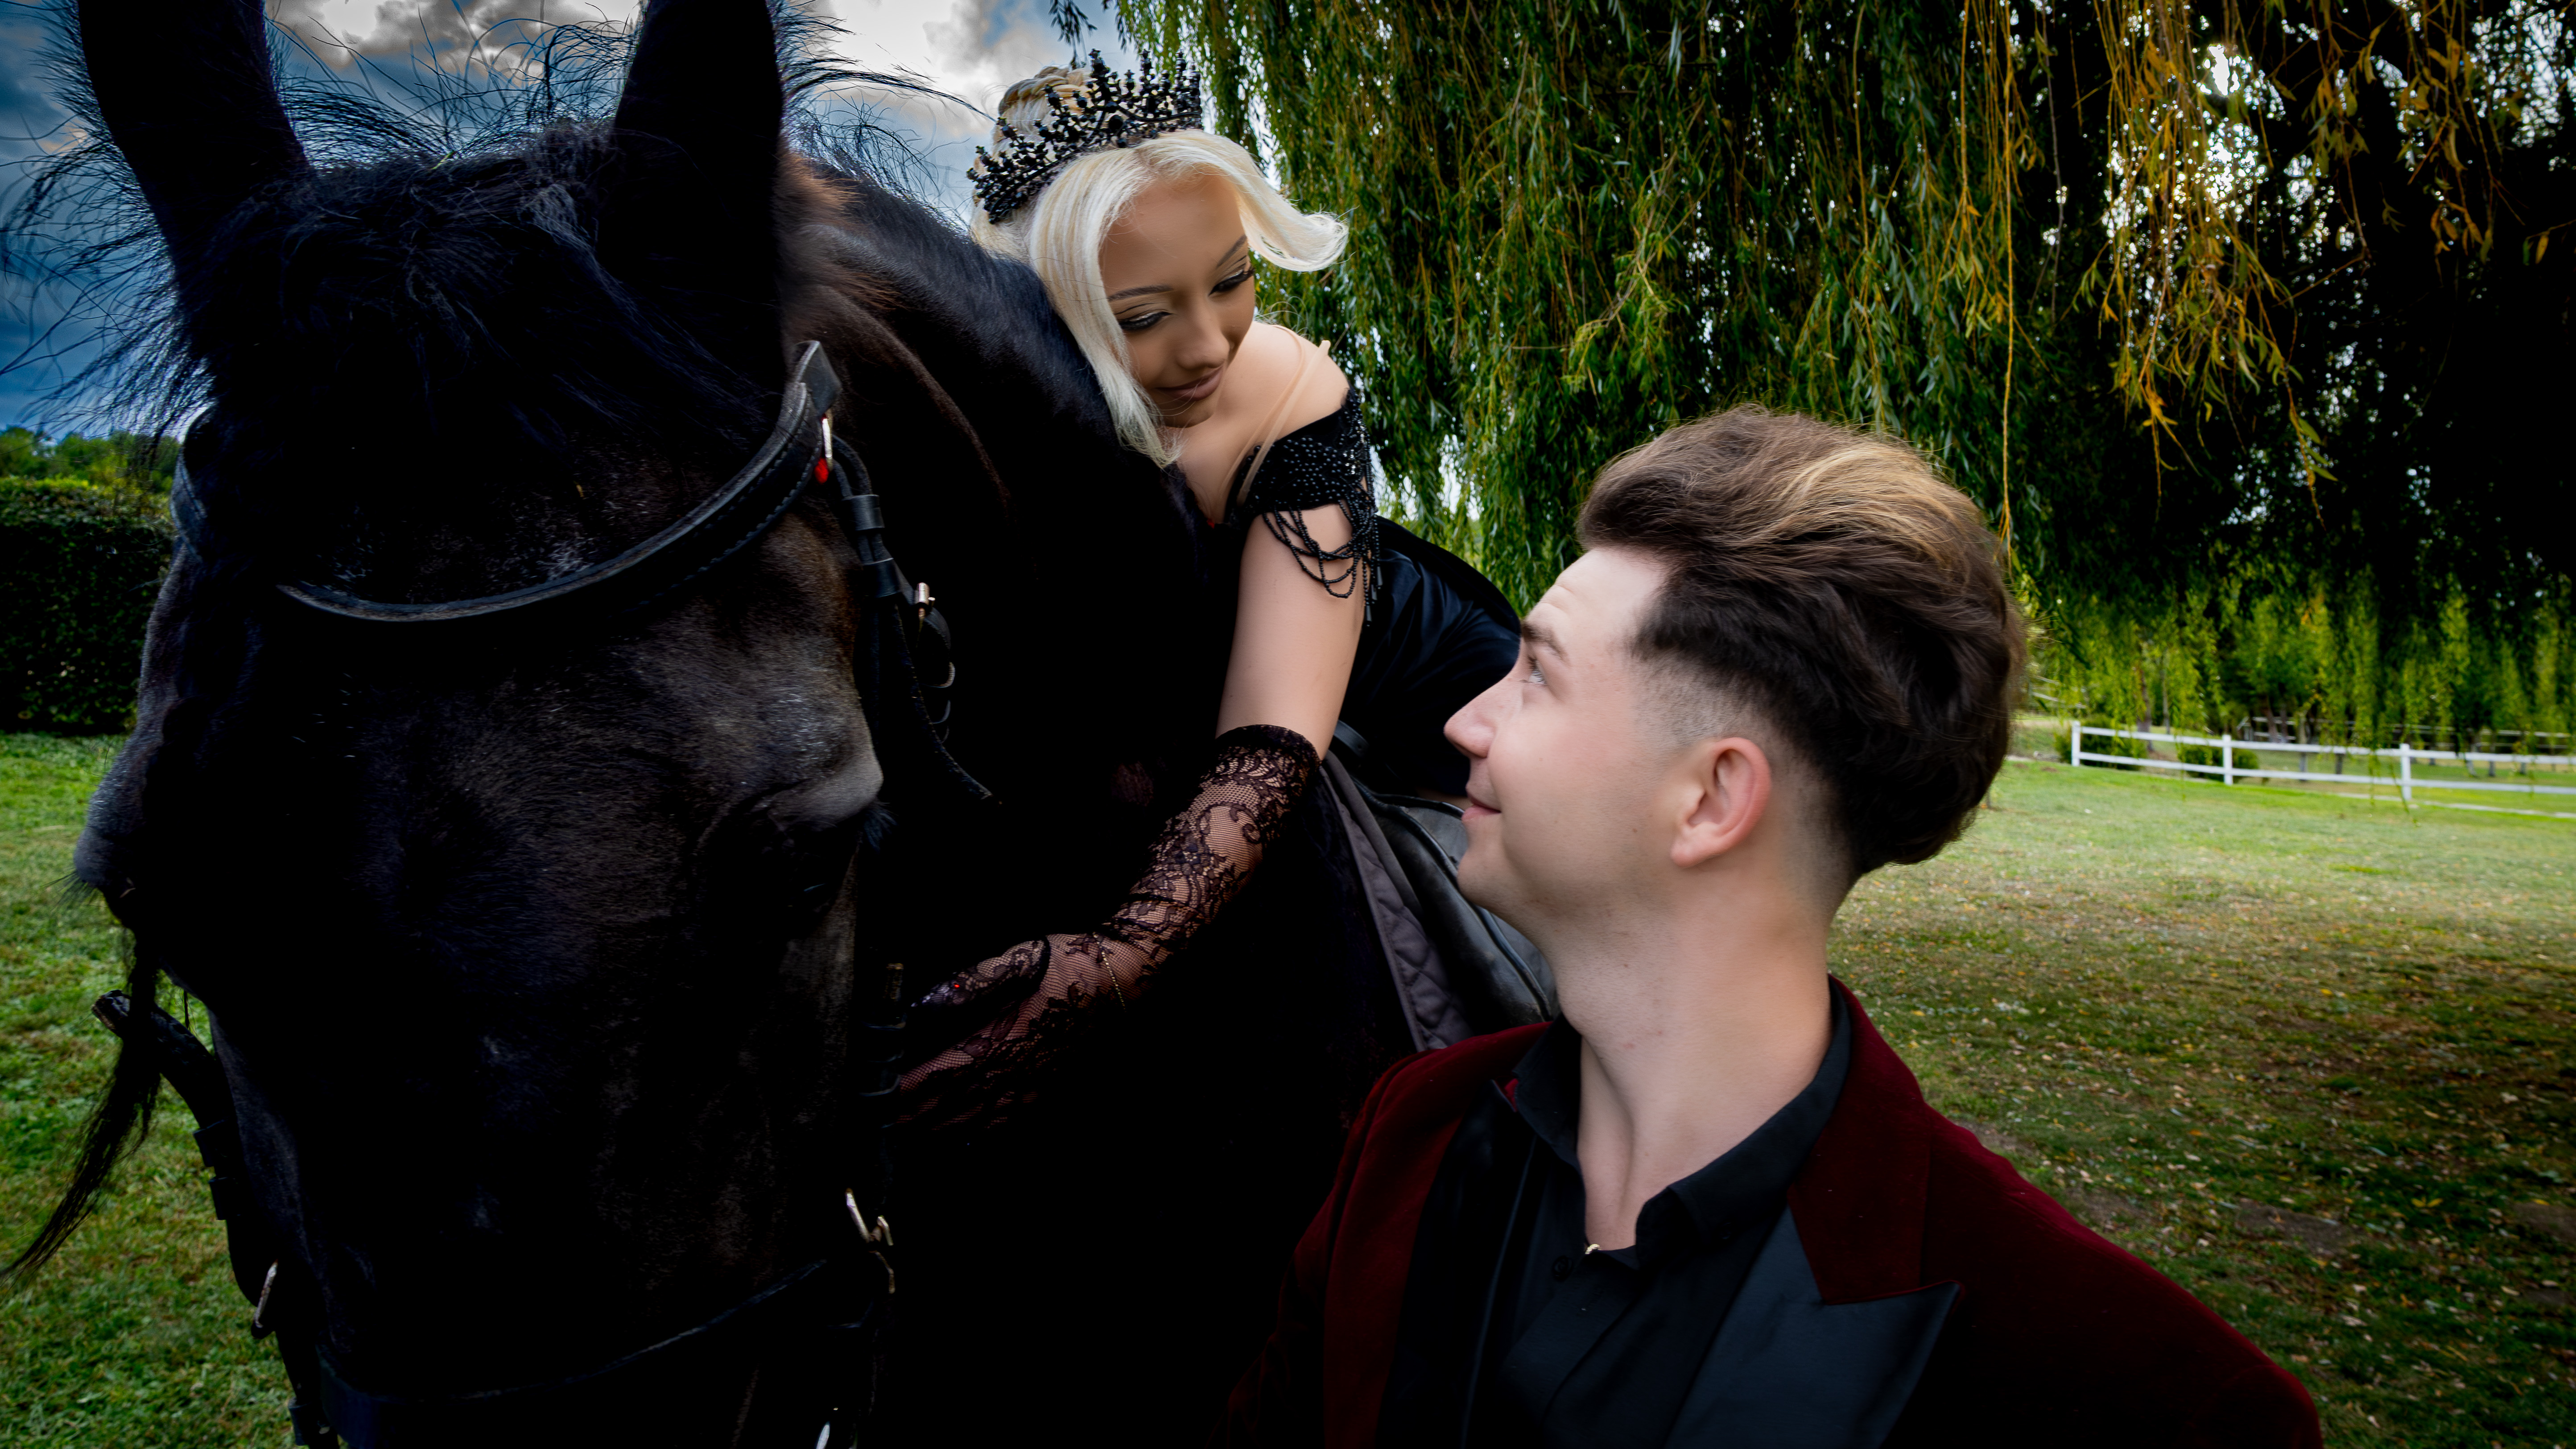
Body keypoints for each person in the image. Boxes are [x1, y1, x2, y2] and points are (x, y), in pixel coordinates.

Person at [1218, 408, 2323, 1447]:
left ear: (1710, 798)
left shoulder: (2140, 1397)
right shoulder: (1410, 1130)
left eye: (1536, 673)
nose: (1466, 718)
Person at [877, 53, 1527, 1444]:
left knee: (1535, 889)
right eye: (1142, 314)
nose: (1208, 345)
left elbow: (1275, 733)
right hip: (1182, 679)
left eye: (1231, 280)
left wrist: (1118, 960)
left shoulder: (1283, 384)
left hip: (1395, 681)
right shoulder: (980, 416)